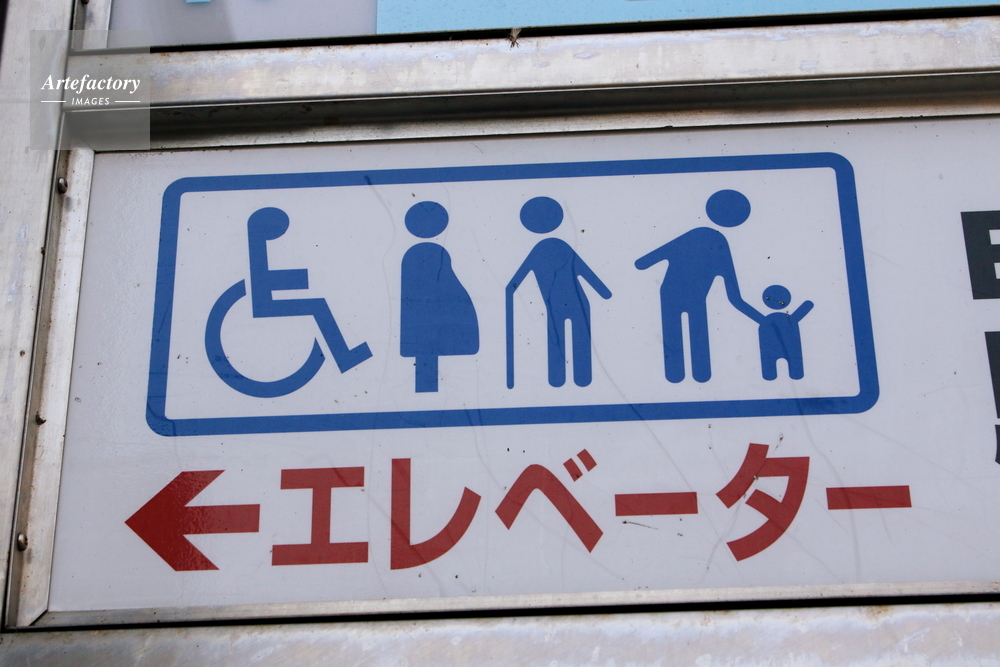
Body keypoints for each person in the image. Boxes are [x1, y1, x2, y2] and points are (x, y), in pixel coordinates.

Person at [635, 189, 759, 383]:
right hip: (692, 298)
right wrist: (759, 318)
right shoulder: (718, 244)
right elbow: (734, 295)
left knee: (677, 334)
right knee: (694, 335)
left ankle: (678, 376)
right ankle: (697, 377)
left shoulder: (698, 236)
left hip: (674, 294)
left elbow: (643, 262)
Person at [506, 196, 611, 388]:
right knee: (566, 338)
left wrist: (509, 292)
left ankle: (571, 380)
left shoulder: (545, 249)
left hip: (564, 304)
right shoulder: (555, 247)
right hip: (570, 303)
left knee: (568, 338)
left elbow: (514, 282)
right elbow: (584, 272)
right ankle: (571, 380)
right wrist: (604, 292)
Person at [400, 201, 479, 393]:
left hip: (432, 325)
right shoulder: (425, 253)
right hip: (429, 325)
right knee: (426, 366)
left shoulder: (416, 253)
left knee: (426, 364)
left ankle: (428, 396)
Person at [756, 285, 813, 380]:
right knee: (771, 370)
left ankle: (794, 374)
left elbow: (739, 303)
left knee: (794, 368)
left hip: (787, 341)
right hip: (771, 341)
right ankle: (776, 375)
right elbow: (807, 306)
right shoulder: (770, 321)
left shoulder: (768, 321)